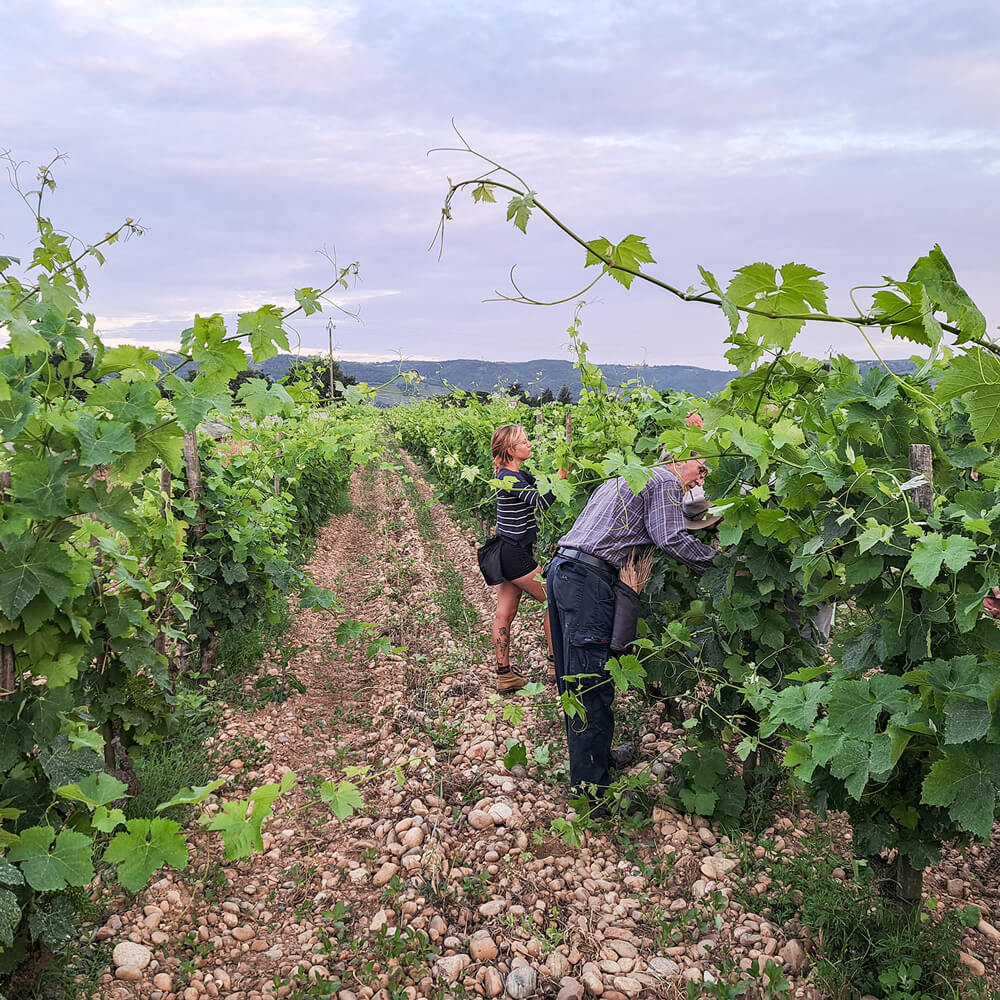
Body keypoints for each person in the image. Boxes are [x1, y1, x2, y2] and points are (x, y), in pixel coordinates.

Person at [546, 452, 720, 801]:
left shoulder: (624, 476)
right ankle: (592, 793)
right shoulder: (665, 481)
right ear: (679, 458)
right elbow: (670, 538)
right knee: (591, 684)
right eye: (700, 470)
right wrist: (722, 566)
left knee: (574, 679)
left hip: (564, 570)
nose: (700, 480)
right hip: (589, 582)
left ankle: (594, 762)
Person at [490, 424, 563, 694]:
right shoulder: (510, 478)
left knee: (505, 614)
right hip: (515, 553)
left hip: (505, 551)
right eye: (524, 441)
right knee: (554, 599)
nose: (529, 444)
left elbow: (539, 484)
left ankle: (505, 675)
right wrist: (562, 478)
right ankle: (556, 664)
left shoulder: (515, 474)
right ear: (511, 450)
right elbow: (542, 502)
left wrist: (556, 473)